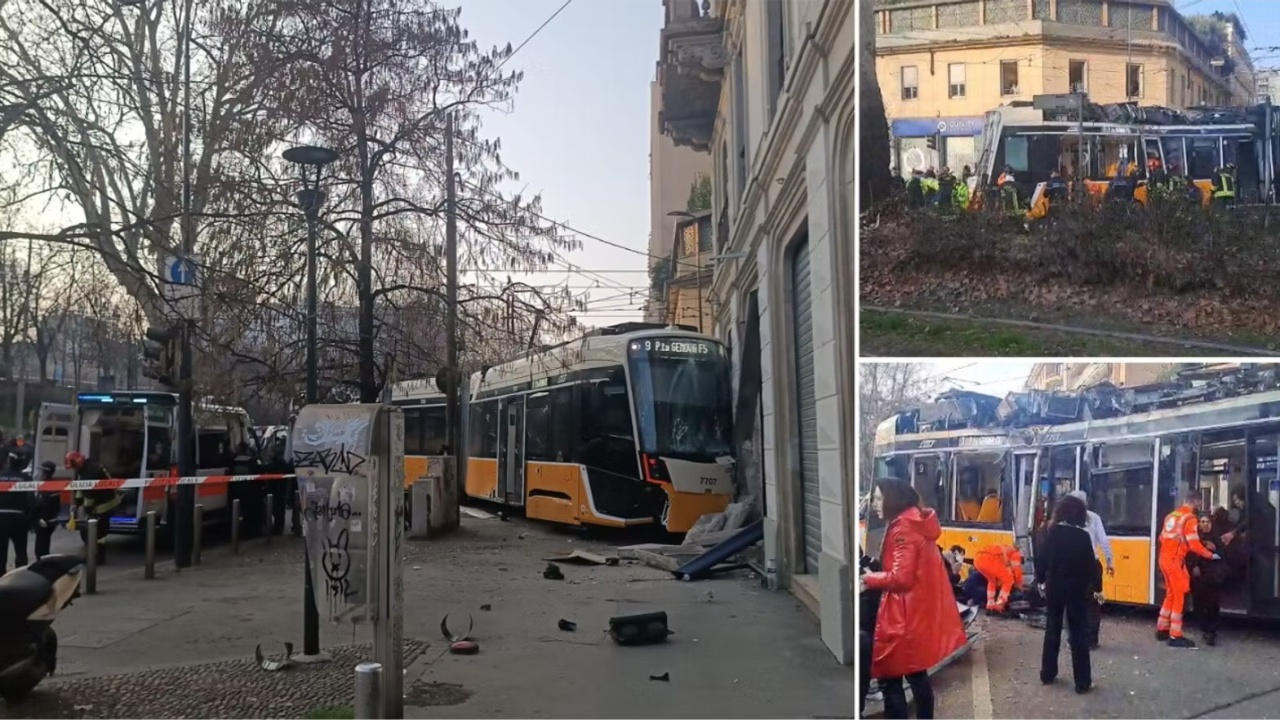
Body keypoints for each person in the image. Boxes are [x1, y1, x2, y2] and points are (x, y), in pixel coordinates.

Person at [862, 478, 966, 719]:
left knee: (891, 679)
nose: (875, 504)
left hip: (901, 616)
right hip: (915, 612)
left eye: (879, 498)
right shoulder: (916, 522)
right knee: (917, 674)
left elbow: (901, 577)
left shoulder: (903, 528)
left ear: (892, 499)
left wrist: (870, 579)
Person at [1034, 494, 1100, 694]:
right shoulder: (1083, 537)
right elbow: (1092, 566)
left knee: (1052, 628)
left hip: (1055, 587)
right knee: (1078, 632)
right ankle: (1082, 682)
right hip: (1077, 589)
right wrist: (1097, 588)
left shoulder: (1051, 532)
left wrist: (1041, 580)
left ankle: (1048, 673)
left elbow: (1041, 558)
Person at [1157, 490, 1217, 648]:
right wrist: (1210, 555)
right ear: (1196, 502)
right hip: (1176, 561)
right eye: (1199, 503)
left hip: (1164, 559)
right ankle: (1175, 635)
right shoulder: (1190, 519)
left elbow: (1162, 538)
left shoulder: (1171, 516)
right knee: (1179, 595)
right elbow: (1194, 545)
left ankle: (1162, 627)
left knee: (1170, 593)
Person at [1067, 490, 1113, 649]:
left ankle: (1074, 638)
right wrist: (1109, 561)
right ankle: (1092, 639)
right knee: (1092, 604)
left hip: (1072, 565)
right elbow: (1104, 541)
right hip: (1092, 564)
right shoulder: (1094, 518)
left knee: (1072, 602)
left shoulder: (1066, 520)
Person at [65, 451, 122, 565]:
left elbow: (90, 495)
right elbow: (82, 489)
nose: (74, 469)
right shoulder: (83, 470)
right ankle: (94, 555)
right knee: (93, 530)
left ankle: (100, 558)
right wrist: (77, 504)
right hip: (98, 501)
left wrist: (87, 510)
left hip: (106, 502)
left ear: (79, 462)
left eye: (74, 467)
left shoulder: (91, 471)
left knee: (100, 532)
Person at [1187, 513, 1228, 646]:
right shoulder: (1195, 538)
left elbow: (1223, 556)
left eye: (1207, 522)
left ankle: (1212, 632)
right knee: (1199, 603)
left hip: (1213, 576)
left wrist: (1215, 550)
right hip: (1199, 577)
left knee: (1212, 604)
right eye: (1202, 522)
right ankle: (1204, 628)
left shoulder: (1216, 539)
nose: (1205, 525)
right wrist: (1195, 566)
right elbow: (1190, 554)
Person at [974, 543, 1023, 613]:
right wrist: (1019, 586)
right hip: (989, 558)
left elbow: (1001, 569)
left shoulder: (1004, 547)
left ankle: (990, 604)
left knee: (992, 581)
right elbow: (1017, 570)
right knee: (1009, 579)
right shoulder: (1015, 553)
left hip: (977, 560)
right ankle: (1000, 604)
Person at [0, 469, 30, 571]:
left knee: (1, 552)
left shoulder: (1, 476)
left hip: (1, 517)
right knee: (21, 551)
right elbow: (30, 498)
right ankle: (20, 578)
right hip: (19, 518)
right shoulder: (25, 478)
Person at [30, 461, 61, 560]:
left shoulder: (50, 487)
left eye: (42, 472)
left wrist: (38, 518)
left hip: (46, 521)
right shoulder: (46, 485)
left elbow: (46, 505)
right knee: (42, 547)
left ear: (46, 473)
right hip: (45, 520)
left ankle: (43, 566)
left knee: (41, 549)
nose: (40, 474)